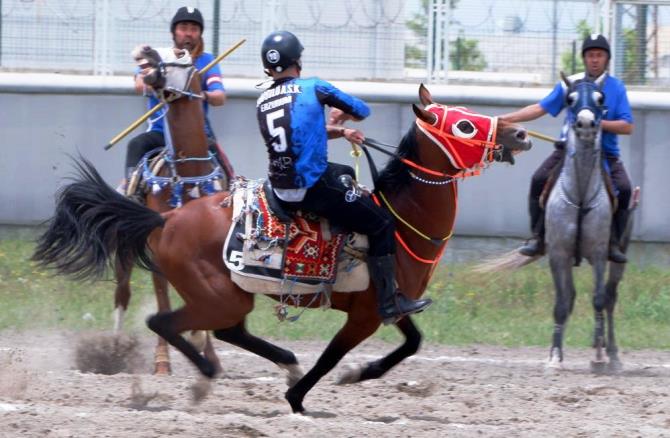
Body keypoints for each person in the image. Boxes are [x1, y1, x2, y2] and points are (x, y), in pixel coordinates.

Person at [256, 30, 432, 323]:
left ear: (268, 68)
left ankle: (339, 237)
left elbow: (299, 133)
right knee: (381, 223)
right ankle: (389, 303)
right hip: (313, 187)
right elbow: (362, 110)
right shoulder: (314, 87)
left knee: (346, 172)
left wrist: (339, 131)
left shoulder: (262, 99)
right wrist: (341, 117)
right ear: (298, 61)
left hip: (280, 190)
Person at [500, 34, 633, 263]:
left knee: (625, 188)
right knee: (538, 179)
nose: (594, 60)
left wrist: (594, 122)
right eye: (590, 55)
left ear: (607, 59)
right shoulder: (569, 83)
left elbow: (627, 126)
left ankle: (613, 244)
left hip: (605, 154)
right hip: (568, 151)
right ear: (584, 58)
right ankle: (538, 237)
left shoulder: (616, 87)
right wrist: (503, 119)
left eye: (599, 55)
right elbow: (540, 108)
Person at [124, 6, 232, 188]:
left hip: (197, 136)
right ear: (174, 32)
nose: (188, 34)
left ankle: (230, 198)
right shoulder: (158, 57)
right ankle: (130, 194)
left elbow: (219, 97)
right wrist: (158, 85)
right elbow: (140, 83)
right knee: (136, 145)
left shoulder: (207, 60)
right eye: (183, 28)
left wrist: (200, 94)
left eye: (194, 29)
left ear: (200, 34)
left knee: (225, 168)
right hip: (160, 133)